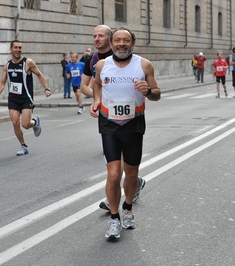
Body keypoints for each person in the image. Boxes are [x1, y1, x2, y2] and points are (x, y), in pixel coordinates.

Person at [90, 26, 161, 240]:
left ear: (132, 43)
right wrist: (96, 100)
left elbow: (157, 94)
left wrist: (147, 91)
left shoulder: (144, 65)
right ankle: (114, 218)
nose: (122, 44)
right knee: (113, 174)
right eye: (118, 40)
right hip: (109, 124)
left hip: (134, 125)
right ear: (111, 44)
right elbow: (96, 85)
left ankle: (128, 208)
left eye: (126, 40)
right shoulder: (102, 65)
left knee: (131, 174)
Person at [80, 25, 147, 212]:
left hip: (131, 119)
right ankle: (116, 203)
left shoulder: (125, 55)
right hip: (109, 118)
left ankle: (132, 185)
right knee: (114, 169)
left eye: (101, 36)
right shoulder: (92, 60)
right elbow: (87, 86)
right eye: (94, 36)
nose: (97, 39)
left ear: (109, 39)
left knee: (129, 166)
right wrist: (98, 100)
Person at [0, 40, 51, 156]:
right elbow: (2, 81)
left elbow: (39, 75)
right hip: (13, 98)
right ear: (11, 49)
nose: (18, 50)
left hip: (26, 98)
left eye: (20, 47)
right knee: (15, 123)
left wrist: (46, 88)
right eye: (15, 47)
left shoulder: (28, 62)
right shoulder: (7, 65)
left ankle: (35, 122)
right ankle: (23, 146)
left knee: (25, 124)